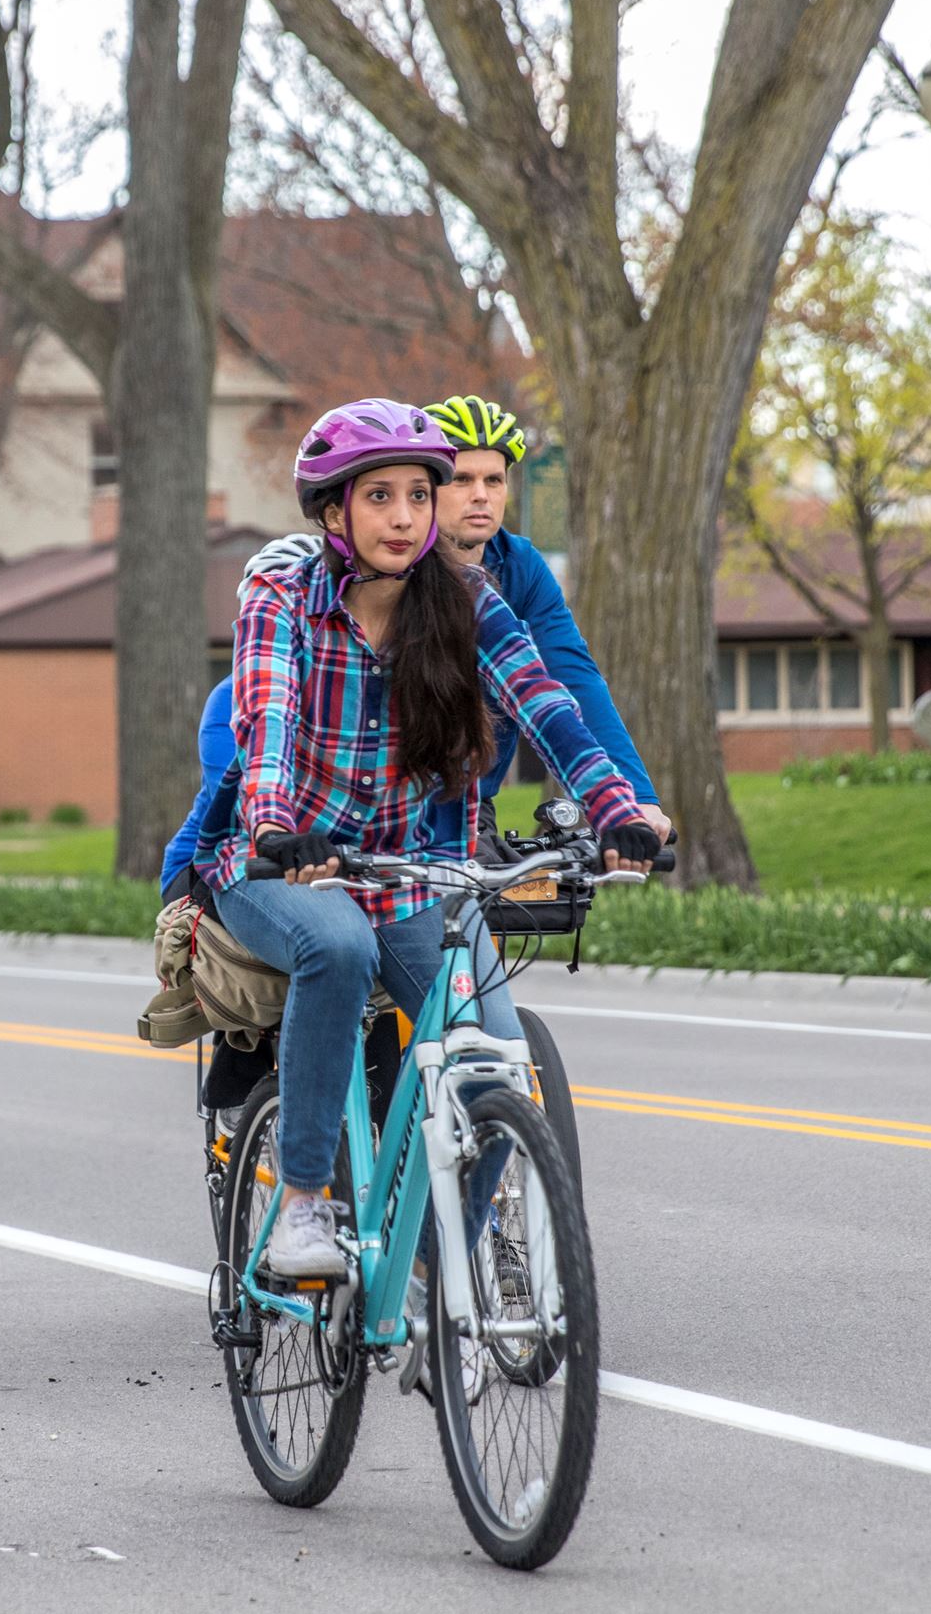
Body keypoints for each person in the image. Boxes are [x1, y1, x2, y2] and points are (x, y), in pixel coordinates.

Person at [196, 398, 659, 1276]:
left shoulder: (466, 599)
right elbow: (267, 712)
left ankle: (431, 1272)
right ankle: (303, 1204)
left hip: (412, 869)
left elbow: (545, 701)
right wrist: (275, 825)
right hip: (281, 864)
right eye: (380, 497)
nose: (405, 516)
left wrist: (615, 809)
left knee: (493, 1073)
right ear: (335, 510)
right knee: (336, 949)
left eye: (418, 494)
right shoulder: (282, 592)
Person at [419, 394, 668, 842]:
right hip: (382, 805)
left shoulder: (520, 567)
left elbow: (572, 679)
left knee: (527, 909)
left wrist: (635, 799)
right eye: (462, 479)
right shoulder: (396, 566)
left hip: (471, 807)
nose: (481, 495)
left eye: (494, 480)